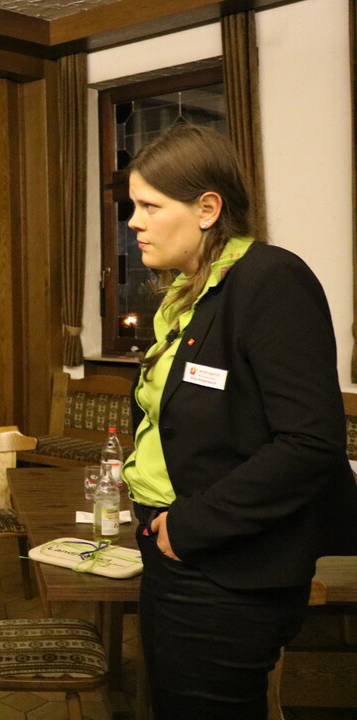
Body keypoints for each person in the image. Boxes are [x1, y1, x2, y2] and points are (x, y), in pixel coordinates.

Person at [120, 123, 357, 719]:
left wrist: (188, 527)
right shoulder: (188, 293)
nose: (133, 222)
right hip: (177, 554)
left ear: (207, 208)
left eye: (149, 205)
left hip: (226, 567)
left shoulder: (270, 280)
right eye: (132, 206)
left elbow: (311, 441)